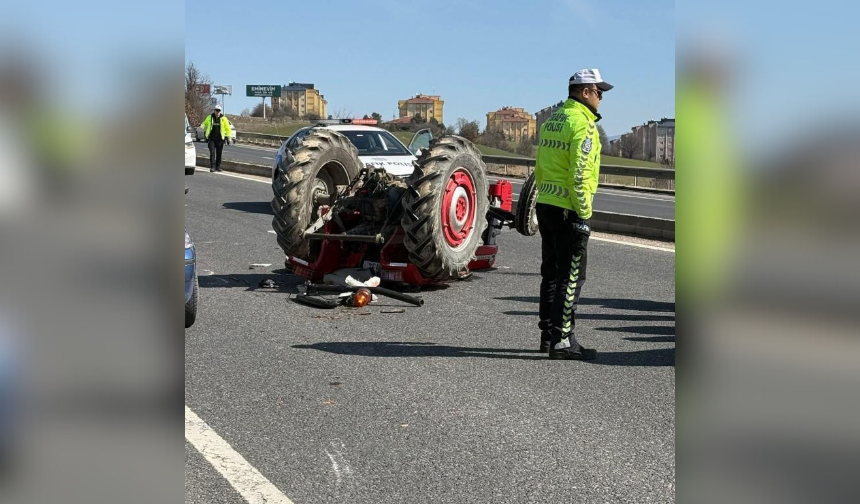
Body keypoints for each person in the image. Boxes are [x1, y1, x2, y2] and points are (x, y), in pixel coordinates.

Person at [533, 68, 612, 360]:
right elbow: (579, 173)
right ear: (585, 92)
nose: (601, 98)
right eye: (599, 92)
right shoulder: (584, 125)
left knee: (551, 274)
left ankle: (548, 336)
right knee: (571, 276)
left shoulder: (552, 120)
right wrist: (583, 213)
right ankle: (564, 341)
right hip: (569, 209)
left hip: (546, 204)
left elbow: (540, 167)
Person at [200, 105, 232, 172]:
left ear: (220, 111)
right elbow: (205, 123)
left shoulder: (224, 119)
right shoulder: (209, 117)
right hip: (211, 138)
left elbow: (227, 129)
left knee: (219, 153)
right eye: (216, 110)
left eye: (218, 110)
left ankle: (218, 167)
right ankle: (212, 167)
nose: (217, 112)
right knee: (212, 153)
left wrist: (229, 137)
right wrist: (202, 125)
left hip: (220, 139)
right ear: (214, 110)